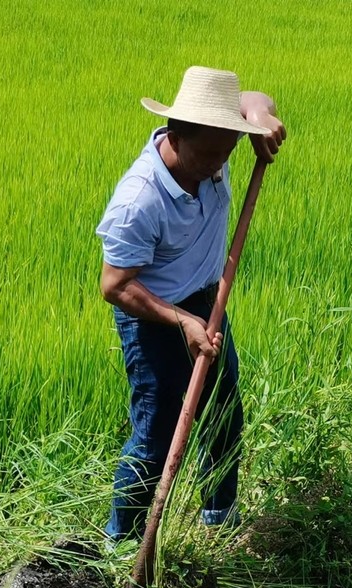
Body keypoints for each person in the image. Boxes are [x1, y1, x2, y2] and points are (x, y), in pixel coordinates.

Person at [96, 66, 286, 544]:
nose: (218, 166)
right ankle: (122, 544)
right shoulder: (139, 201)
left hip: (207, 302)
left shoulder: (212, 146)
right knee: (155, 437)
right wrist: (182, 321)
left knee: (223, 413)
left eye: (227, 153)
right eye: (208, 156)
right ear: (175, 137)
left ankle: (219, 520)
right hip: (153, 313)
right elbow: (115, 286)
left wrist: (261, 117)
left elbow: (255, 95)